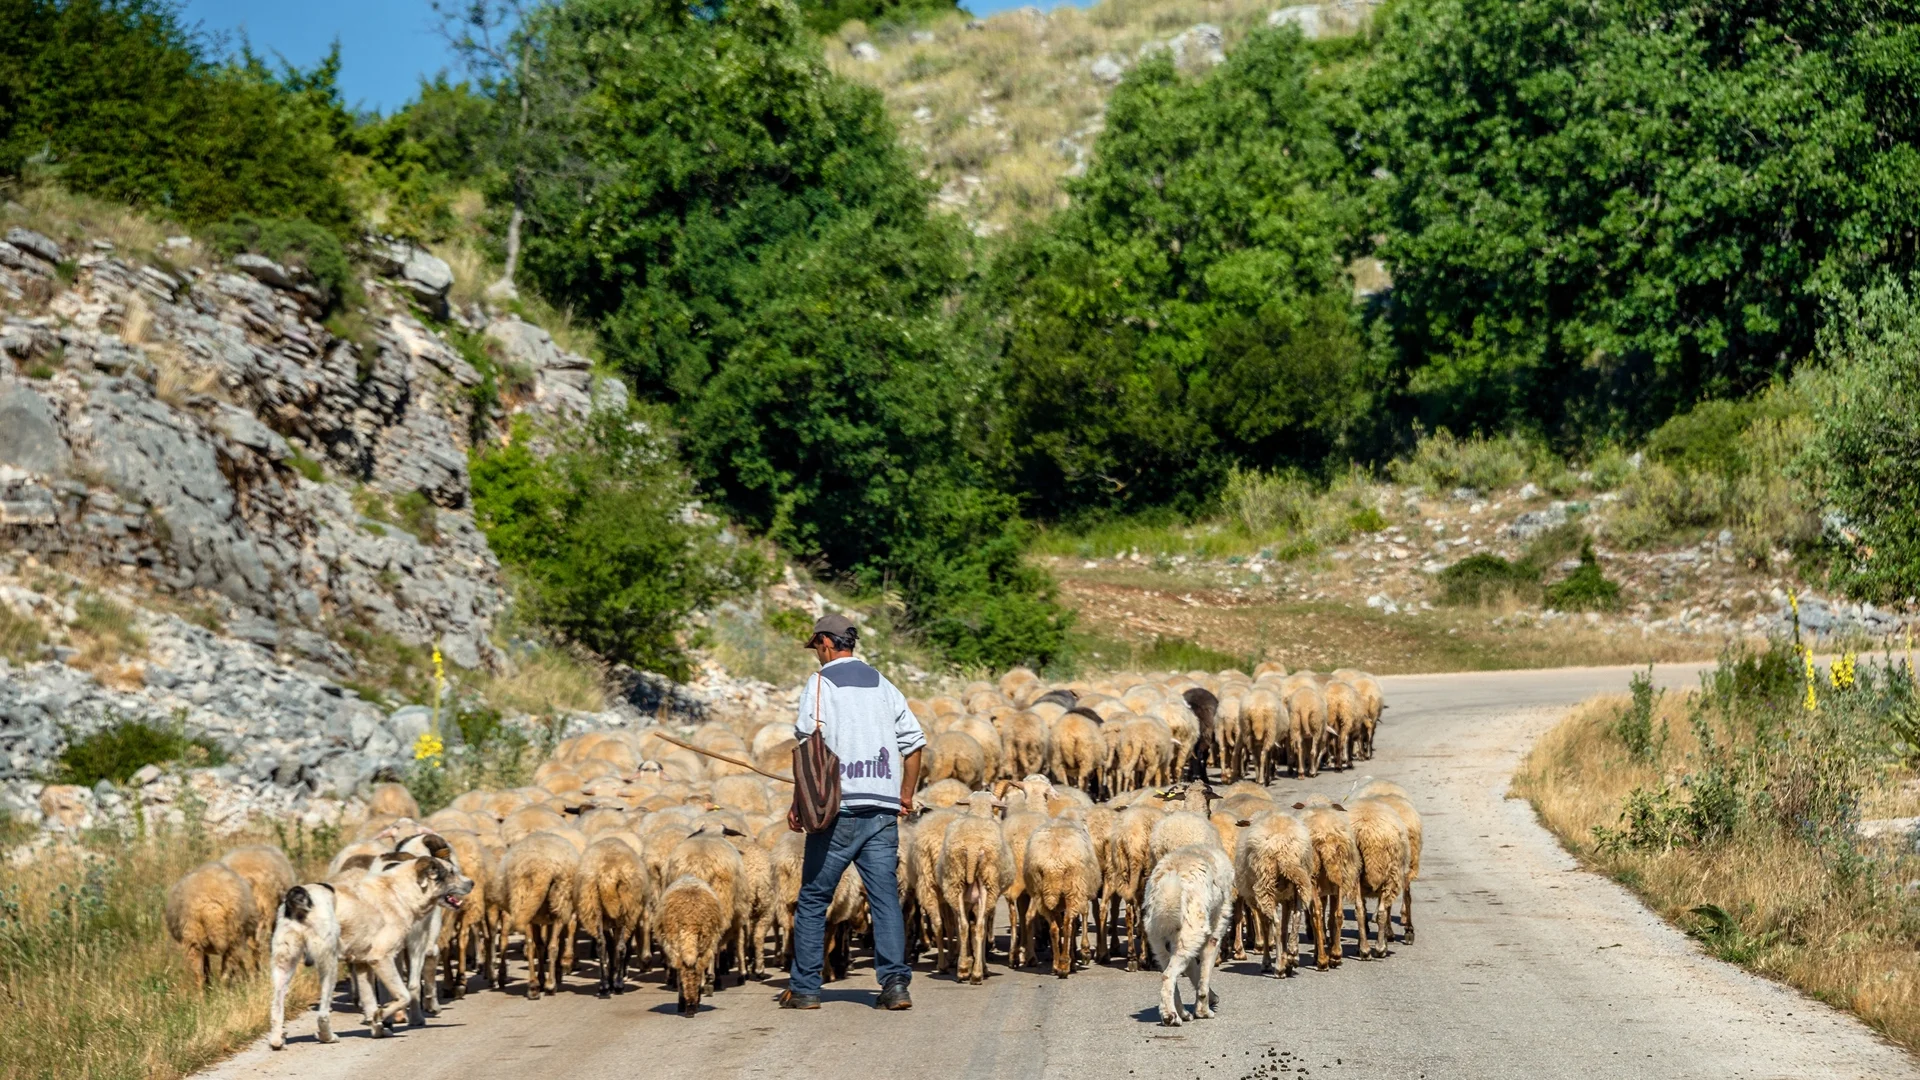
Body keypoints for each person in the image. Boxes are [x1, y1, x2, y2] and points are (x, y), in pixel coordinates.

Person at [781, 613, 925, 1011]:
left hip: (837, 810)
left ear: (827, 643)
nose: (818, 656)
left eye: (818, 648)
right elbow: (914, 744)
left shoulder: (820, 685)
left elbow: (810, 747)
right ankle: (895, 985)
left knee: (812, 899)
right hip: (881, 809)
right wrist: (905, 795)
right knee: (884, 900)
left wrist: (799, 804)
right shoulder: (884, 684)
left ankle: (807, 989)